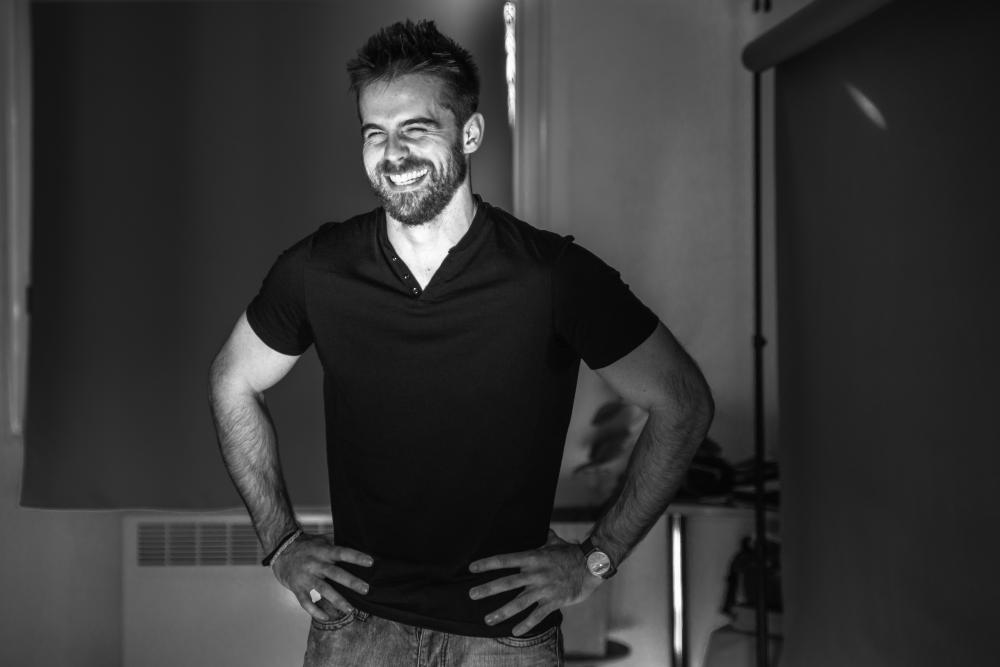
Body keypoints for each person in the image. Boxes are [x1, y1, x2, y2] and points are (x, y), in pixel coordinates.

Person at [209, 19, 713, 667]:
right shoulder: (317, 269)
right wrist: (280, 541)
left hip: (506, 636)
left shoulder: (550, 276)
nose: (393, 153)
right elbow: (232, 380)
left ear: (469, 133)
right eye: (375, 133)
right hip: (355, 629)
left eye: (416, 129)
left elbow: (683, 402)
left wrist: (597, 557)